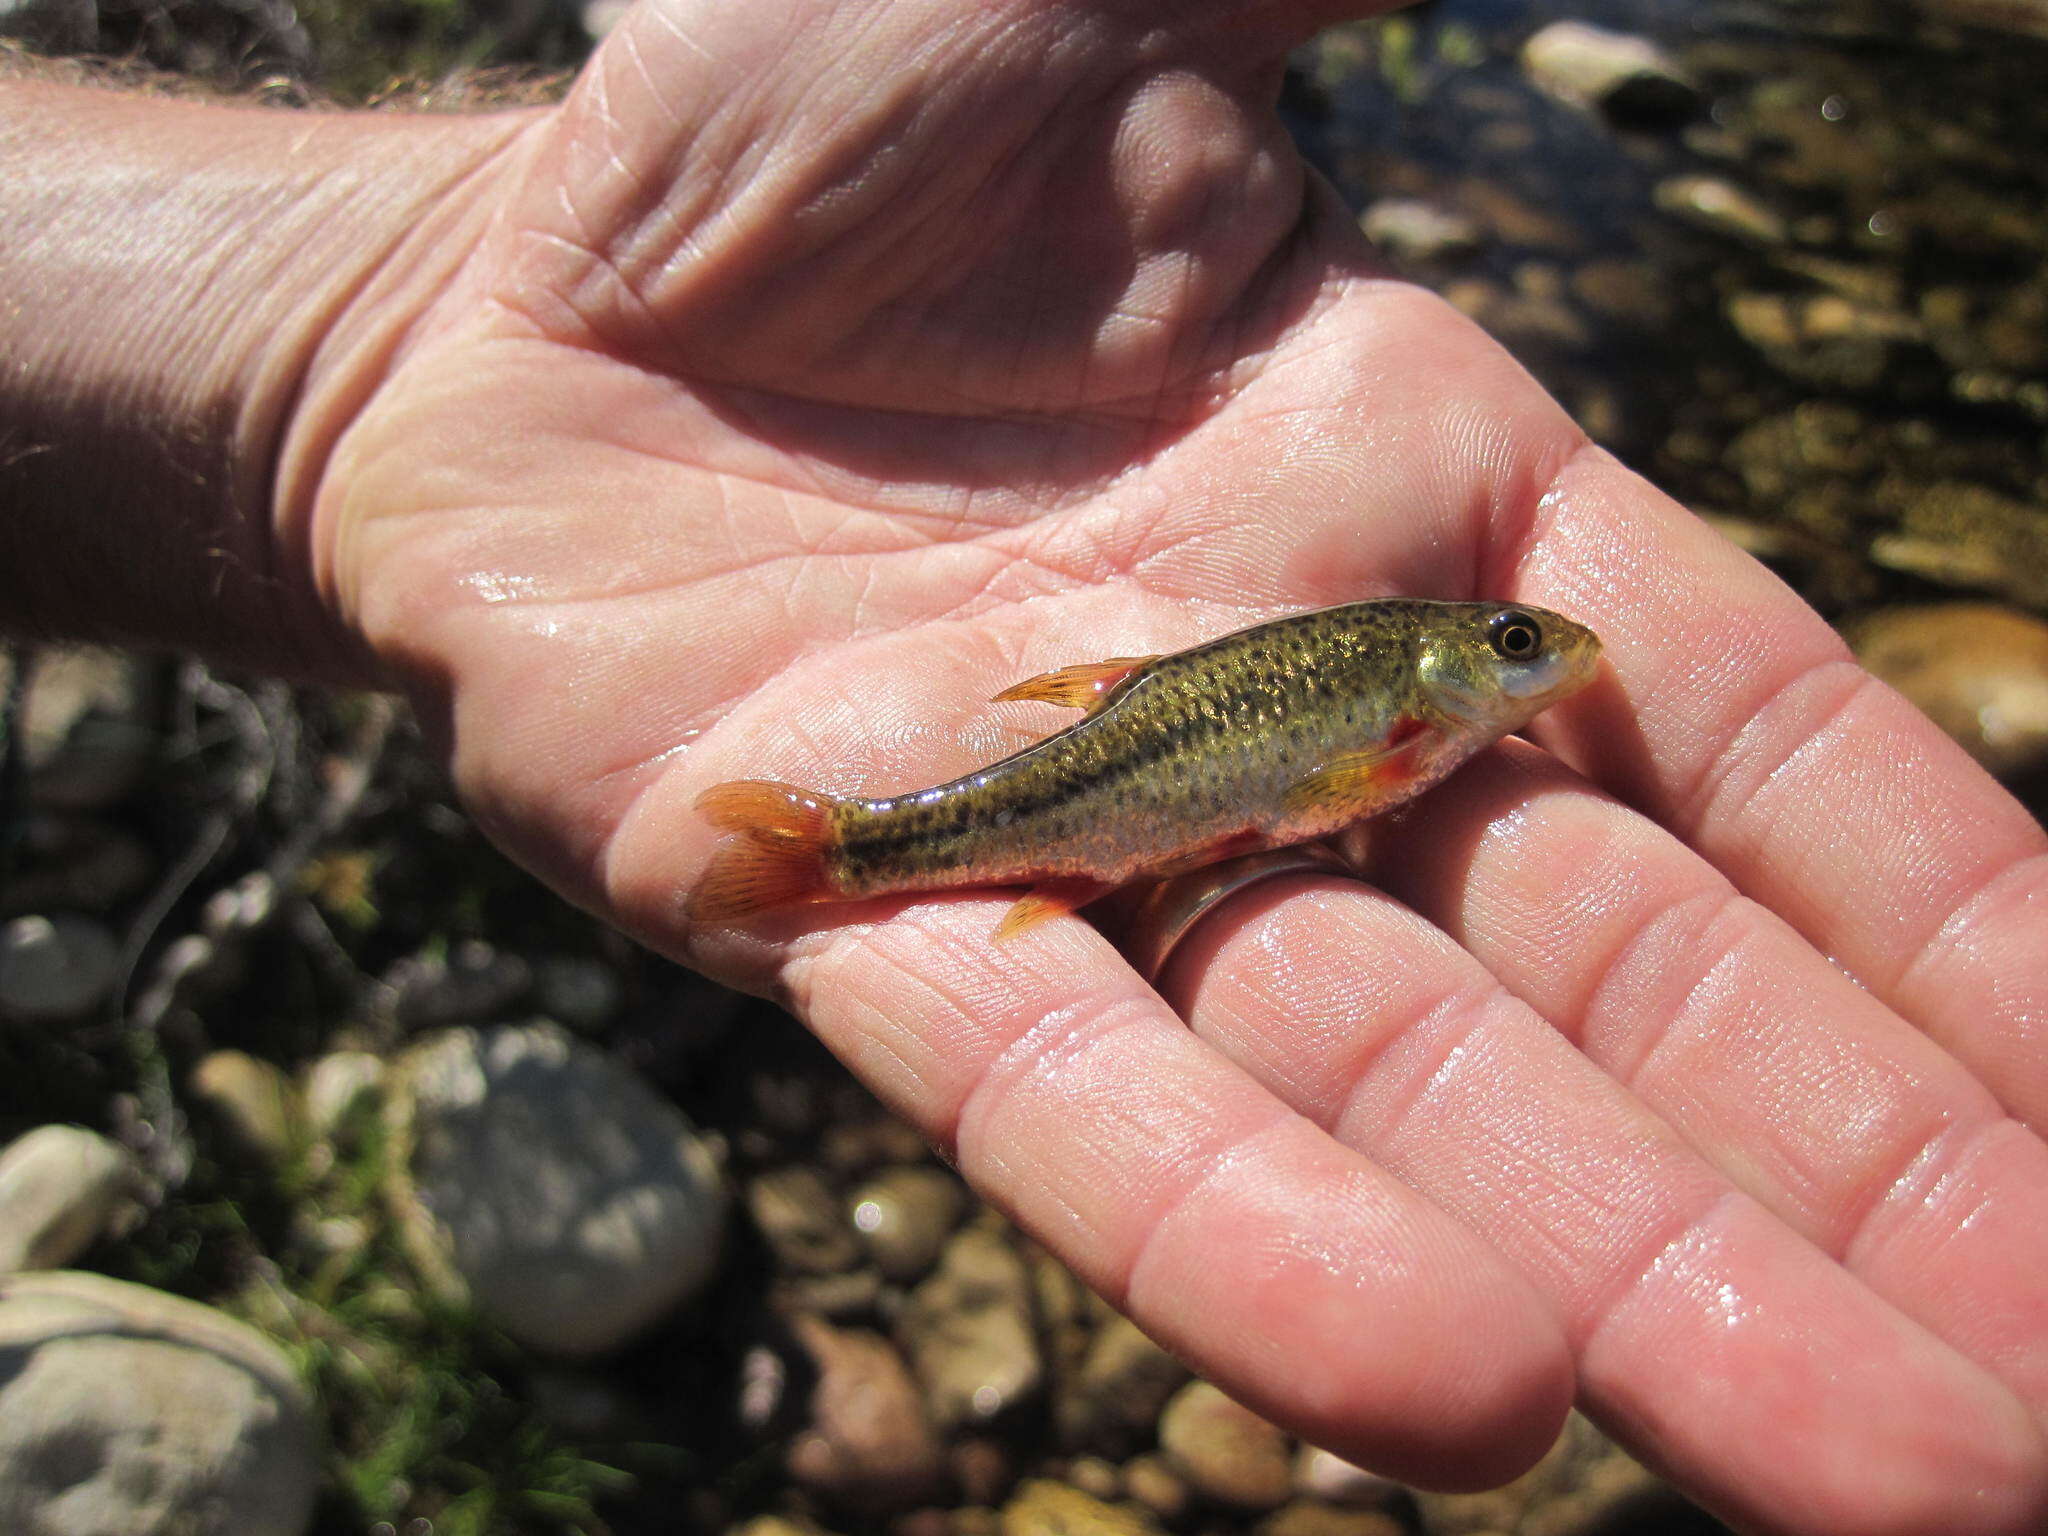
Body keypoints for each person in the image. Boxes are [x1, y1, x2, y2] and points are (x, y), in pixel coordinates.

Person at [4, 2, 2045, 1529]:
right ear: (1451, 665)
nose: (1535, 662)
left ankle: (868, 853)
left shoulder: (1424, 692)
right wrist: (378, 341)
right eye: (1512, 646)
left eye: (1513, 650)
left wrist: (356, 345)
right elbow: (1347, 761)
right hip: (1097, 784)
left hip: (1130, 772)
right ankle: (859, 853)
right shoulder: (1419, 686)